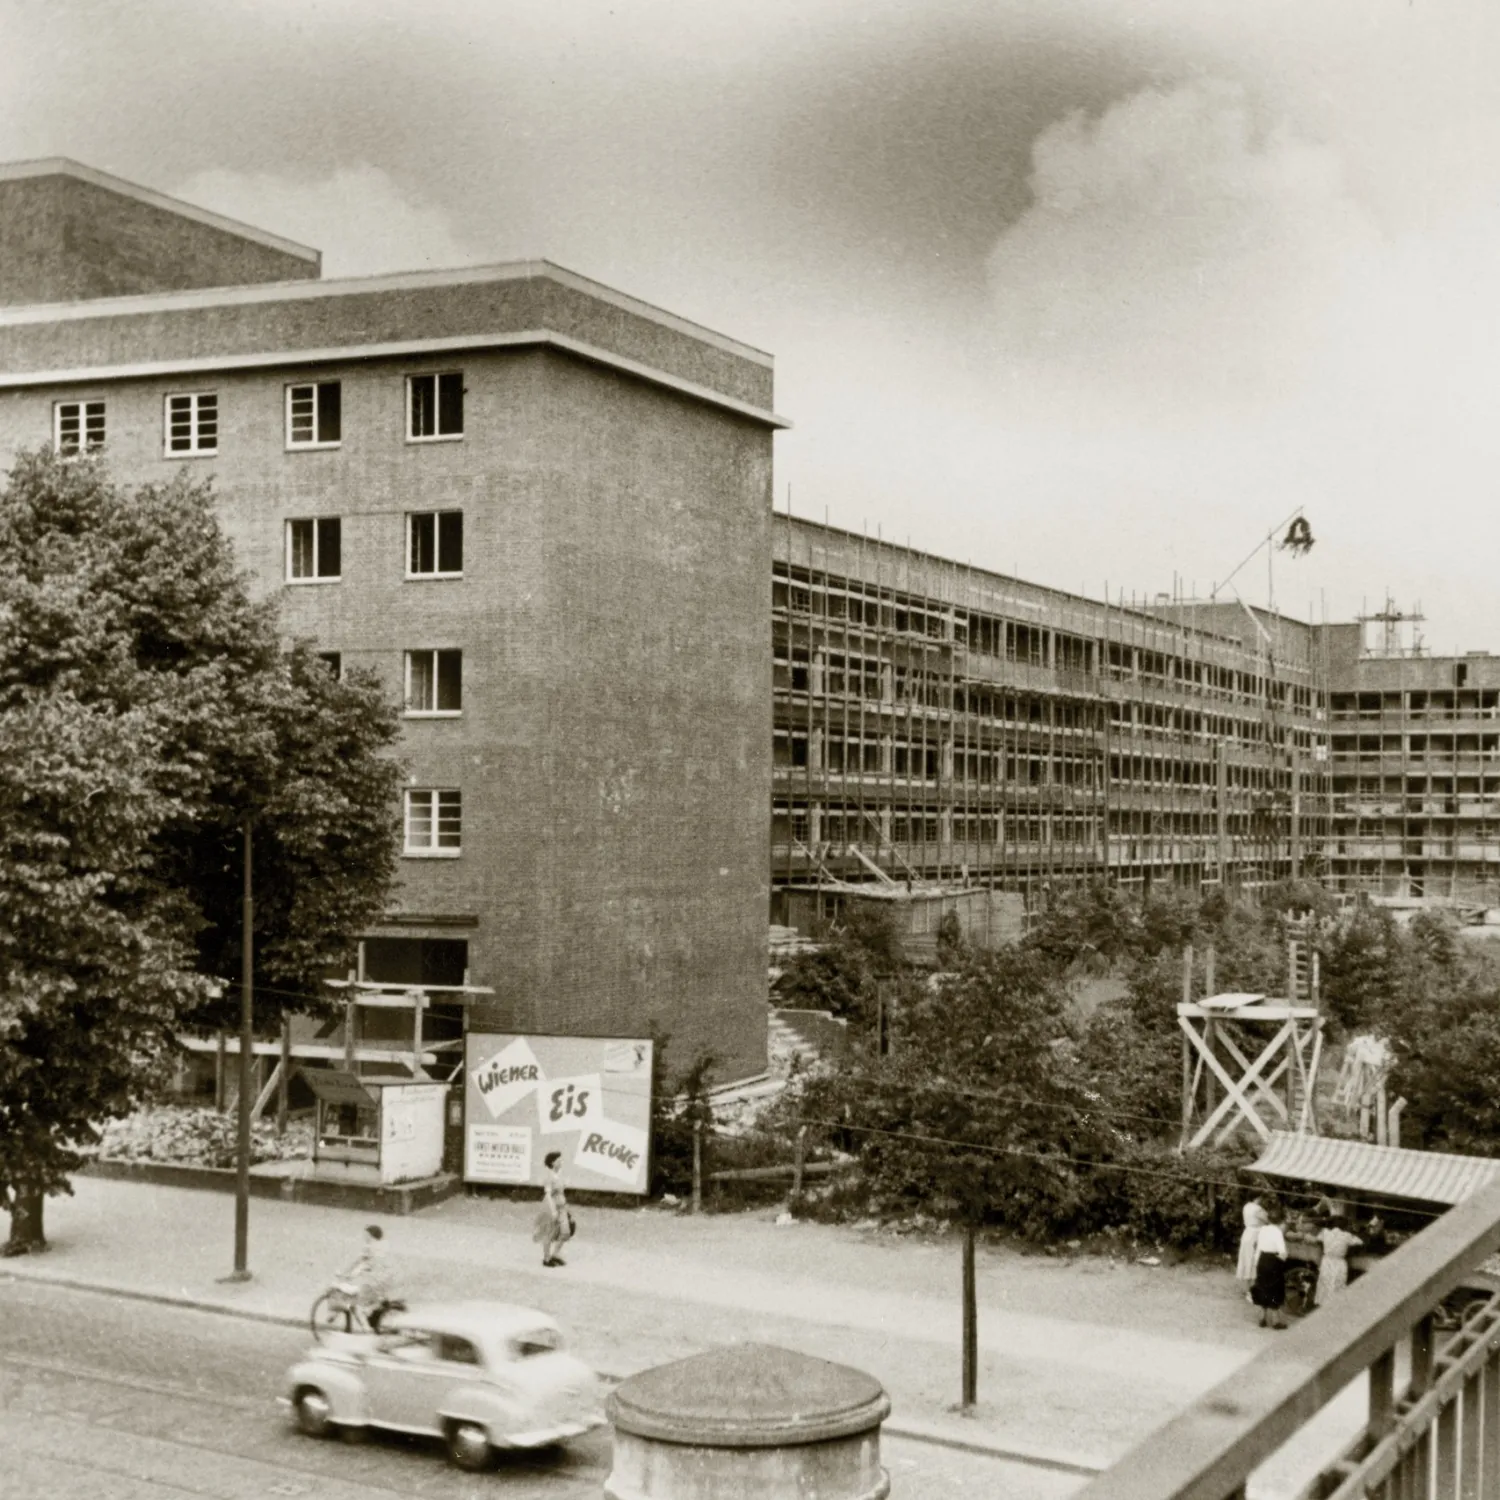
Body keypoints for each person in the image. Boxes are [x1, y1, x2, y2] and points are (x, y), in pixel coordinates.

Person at [340, 1223, 398, 1330]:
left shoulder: (369, 1247)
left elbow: (357, 1261)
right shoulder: (383, 1246)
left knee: (359, 1305)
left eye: (365, 1234)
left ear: (370, 1235)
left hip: (375, 1281)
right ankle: (375, 1316)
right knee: (372, 1301)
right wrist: (354, 1273)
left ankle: (367, 1330)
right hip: (386, 1280)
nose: (364, 1237)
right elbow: (367, 1265)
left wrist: (345, 1273)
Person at [1250, 1206, 1289, 1329]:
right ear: (1280, 1221)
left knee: (1262, 1286)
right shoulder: (1277, 1232)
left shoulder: (1263, 1230)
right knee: (1275, 1288)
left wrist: (1256, 1263)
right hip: (1273, 1260)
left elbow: (1258, 1248)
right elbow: (1282, 1251)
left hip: (1262, 1260)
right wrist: (1283, 1261)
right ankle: (1276, 1321)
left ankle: (1262, 1318)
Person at [533, 1152, 572, 1268]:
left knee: (565, 1232)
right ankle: (546, 1259)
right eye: (558, 1160)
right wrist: (553, 1210)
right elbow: (548, 1195)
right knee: (550, 1233)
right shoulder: (549, 1177)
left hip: (562, 1207)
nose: (560, 1162)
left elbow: (559, 1191)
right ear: (552, 1163)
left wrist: (565, 1185)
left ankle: (555, 1255)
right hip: (552, 1208)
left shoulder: (558, 1175)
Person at [1315, 1217, 1364, 1306]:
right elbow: (1360, 1242)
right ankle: (1334, 1305)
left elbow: (1318, 1239)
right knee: (1337, 1284)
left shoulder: (1325, 1232)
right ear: (1344, 1226)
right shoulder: (1347, 1235)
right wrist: (1355, 1231)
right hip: (1339, 1262)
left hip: (1327, 1260)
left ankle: (1323, 1305)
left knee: (1325, 1283)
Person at [1237, 1200, 1268, 1298]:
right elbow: (1267, 1220)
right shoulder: (1258, 1209)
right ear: (1258, 1198)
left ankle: (1246, 1288)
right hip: (1255, 1235)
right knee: (1254, 1261)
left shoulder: (1247, 1206)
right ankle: (1250, 1290)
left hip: (1247, 1233)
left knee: (1247, 1260)